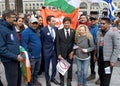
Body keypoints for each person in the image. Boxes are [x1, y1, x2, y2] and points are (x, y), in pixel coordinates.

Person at [0, 10, 23, 86]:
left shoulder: (12, 27)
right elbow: (1, 49)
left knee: (18, 80)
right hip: (9, 60)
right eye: (13, 17)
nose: (15, 19)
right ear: (7, 18)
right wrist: (15, 56)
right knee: (12, 82)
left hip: (16, 59)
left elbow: (13, 43)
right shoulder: (1, 29)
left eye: (15, 17)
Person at [94, 17, 120, 86]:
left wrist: (113, 60)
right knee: (101, 74)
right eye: (100, 23)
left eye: (103, 23)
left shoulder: (114, 32)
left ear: (109, 24)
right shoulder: (99, 32)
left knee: (106, 77)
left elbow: (117, 47)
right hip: (100, 59)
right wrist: (95, 54)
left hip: (108, 61)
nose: (101, 25)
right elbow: (97, 44)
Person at [21, 17, 42, 86]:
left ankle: (35, 81)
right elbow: (24, 45)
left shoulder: (37, 31)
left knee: (36, 71)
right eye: (33, 23)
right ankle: (30, 84)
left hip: (38, 56)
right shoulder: (25, 32)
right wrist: (29, 56)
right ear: (29, 23)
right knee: (31, 72)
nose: (35, 25)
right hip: (32, 57)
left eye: (36, 23)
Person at [41, 15, 59, 86]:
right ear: (48, 22)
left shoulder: (56, 29)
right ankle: (47, 79)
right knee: (46, 66)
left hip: (54, 51)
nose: (55, 22)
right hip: (46, 51)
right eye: (53, 21)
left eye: (55, 20)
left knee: (55, 66)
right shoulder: (43, 30)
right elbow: (42, 41)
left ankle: (53, 77)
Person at [56, 17, 75, 86]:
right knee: (62, 67)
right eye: (65, 23)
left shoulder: (73, 31)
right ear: (63, 23)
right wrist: (58, 54)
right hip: (61, 52)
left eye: (68, 23)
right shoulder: (58, 32)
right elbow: (57, 44)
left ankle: (69, 80)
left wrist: (73, 52)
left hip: (70, 53)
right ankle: (62, 80)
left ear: (70, 23)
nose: (67, 24)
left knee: (70, 67)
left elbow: (74, 43)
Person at [87, 16, 100, 84]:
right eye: (91, 19)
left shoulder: (99, 28)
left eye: (94, 19)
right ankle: (92, 74)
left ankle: (100, 77)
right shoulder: (89, 28)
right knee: (92, 63)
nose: (92, 21)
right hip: (91, 48)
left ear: (97, 20)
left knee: (100, 64)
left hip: (98, 48)